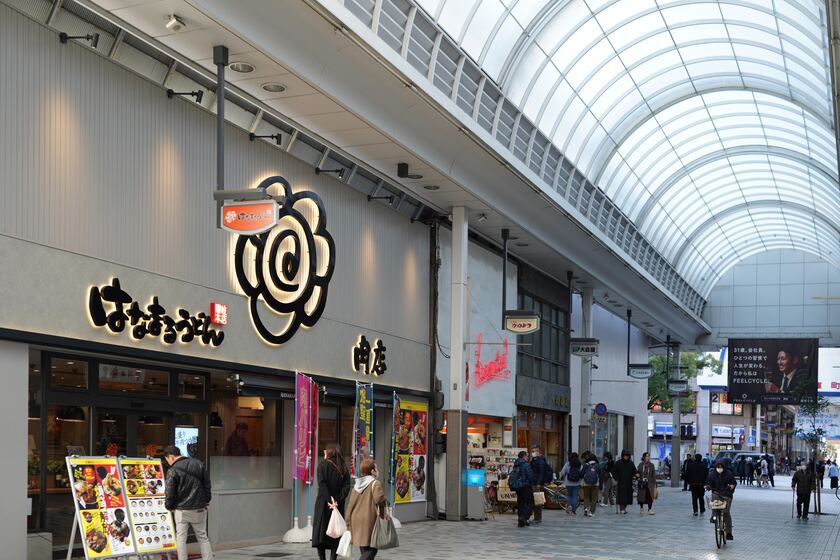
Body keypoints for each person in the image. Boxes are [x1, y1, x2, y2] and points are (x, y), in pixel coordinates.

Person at [163, 445, 212, 560]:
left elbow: (170, 491)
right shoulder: (199, 464)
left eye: (167, 460)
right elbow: (207, 484)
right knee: (202, 537)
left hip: (181, 510)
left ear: (171, 457)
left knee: (181, 538)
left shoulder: (173, 470)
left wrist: (169, 506)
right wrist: (206, 501)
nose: (168, 463)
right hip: (198, 508)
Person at [312, 443, 352, 560]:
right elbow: (347, 486)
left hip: (324, 504)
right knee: (336, 532)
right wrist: (337, 500)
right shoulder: (343, 467)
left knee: (321, 532)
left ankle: (322, 558)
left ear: (329, 452)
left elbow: (322, 485)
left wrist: (329, 500)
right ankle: (333, 558)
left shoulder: (322, 465)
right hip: (337, 505)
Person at [345, 458, 387, 559]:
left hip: (356, 519)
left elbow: (350, 504)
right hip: (368, 520)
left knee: (364, 548)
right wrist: (386, 501)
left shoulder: (357, 485)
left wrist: (348, 521)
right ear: (372, 471)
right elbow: (379, 499)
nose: (377, 470)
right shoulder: (375, 483)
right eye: (376, 468)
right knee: (372, 548)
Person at [706, 461, 736, 541]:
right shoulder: (712, 474)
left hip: (727, 494)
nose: (719, 469)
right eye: (718, 467)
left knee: (726, 512)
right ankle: (713, 516)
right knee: (714, 503)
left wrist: (732, 486)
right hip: (716, 492)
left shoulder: (728, 474)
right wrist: (708, 486)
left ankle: (728, 533)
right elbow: (708, 482)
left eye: (721, 467)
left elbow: (733, 482)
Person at [509, 450, 535, 527]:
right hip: (525, 486)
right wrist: (532, 483)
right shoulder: (526, 464)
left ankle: (520, 522)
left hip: (518, 487)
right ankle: (524, 517)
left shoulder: (516, 464)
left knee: (520, 504)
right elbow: (530, 476)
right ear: (524, 456)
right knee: (531, 502)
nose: (528, 457)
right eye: (527, 456)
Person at [529, 445, 551, 524]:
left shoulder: (540, 461)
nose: (533, 453)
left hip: (537, 484)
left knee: (538, 501)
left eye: (534, 451)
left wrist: (539, 483)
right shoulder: (534, 460)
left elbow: (541, 473)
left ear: (538, 452)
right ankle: (536, 517)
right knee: (536, 501)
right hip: (534, 483)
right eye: (532, 451)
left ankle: (538, 518)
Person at [614, 450, 637, 514]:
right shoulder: (618, 463)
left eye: (627, 456)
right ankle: (622, 509)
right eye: (625, 456)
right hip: (620, 482)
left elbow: (634, 470)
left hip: (628, 482)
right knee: (621, 496)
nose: (626, 457)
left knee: (628, 496)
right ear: (622, 456)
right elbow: (614, 471)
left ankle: (624, 508)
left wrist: (636, 474)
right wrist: (617, 478)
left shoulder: (631, 463)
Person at [580, 452, 601, 517]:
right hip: (595, 484)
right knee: (594, 498)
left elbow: (581, 474)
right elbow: (600, 475)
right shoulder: (597, 465)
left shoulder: (585, 465)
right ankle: (592, 512)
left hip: (586, 484)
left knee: (586, 497)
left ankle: (586, 509)